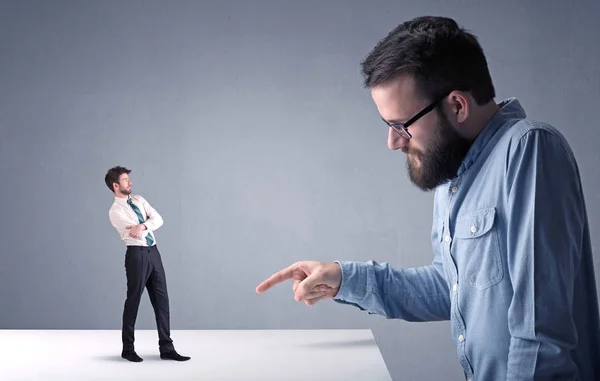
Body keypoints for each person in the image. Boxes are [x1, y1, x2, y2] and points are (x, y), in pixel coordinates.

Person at [256, 16, 600, 380]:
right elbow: (450, 286)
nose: (393, 142)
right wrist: (343, 278)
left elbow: (539, 335)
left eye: (401, 125)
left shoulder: (529, 150)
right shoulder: (452, 174)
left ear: (456, 106)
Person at [105, 166, 190, 363]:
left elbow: (158, 219)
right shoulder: (115, 211)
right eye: (125, 180)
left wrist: (142, 225)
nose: (130, 182)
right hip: (137, 254)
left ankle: (166, 348)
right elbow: (132, 233)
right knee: (133, 300)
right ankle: (128, 349)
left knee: (162, 300)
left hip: (154, 252)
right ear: (116, 185)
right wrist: (143, 225)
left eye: (129, 179)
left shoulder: (139, 200)